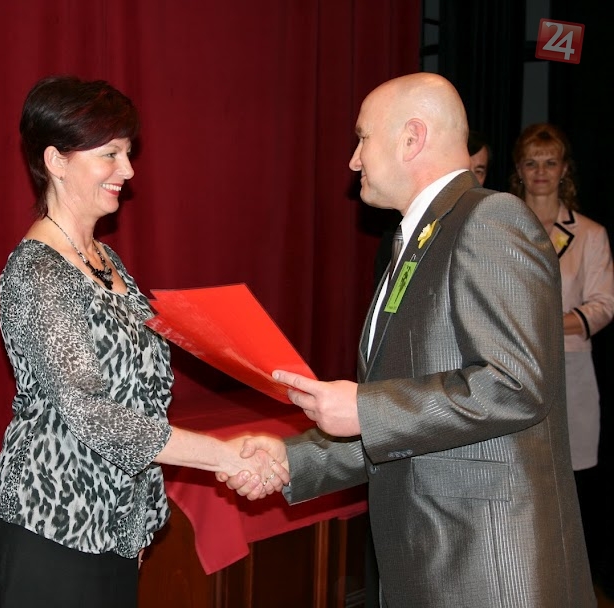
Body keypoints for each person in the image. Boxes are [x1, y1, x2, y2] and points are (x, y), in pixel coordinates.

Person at [224, 73, 595, 607]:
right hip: (430, 565)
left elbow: (515, 386)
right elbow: (409, 424)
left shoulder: (489, 218)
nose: (354, 160)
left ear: (411, 137)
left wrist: (365, 408)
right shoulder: (419, 238)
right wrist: (292, 459)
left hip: (486, 570)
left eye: (362, 138)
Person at [0, 75, 286, 608]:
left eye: (128, 153)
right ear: (56, 161)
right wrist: (223, 456)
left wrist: (135, 521)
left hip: (111, 532)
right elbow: (93, 414)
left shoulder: (106, 260)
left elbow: (141, 401)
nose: (128, 169)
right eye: (110, 154)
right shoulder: (37, 273)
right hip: (47, 528)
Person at [510, 122, 614, 580]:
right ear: (518, 170)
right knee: (520, 479)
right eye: (531, 162)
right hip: (510, 369)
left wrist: (544, 322)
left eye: (550, 162)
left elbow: (603, 306)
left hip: (570, 371)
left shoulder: (590, 234)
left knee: (571, 481)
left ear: (565, 169)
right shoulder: (500, 225)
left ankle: (570, 581)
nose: (541, 171)